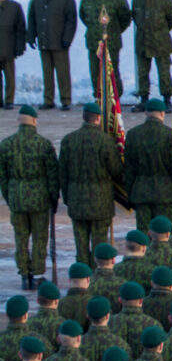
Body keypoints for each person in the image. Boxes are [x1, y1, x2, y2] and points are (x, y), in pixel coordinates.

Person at [57, 103, 122, 268]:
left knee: (81, 244)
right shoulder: (105, 141)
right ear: (98, 119)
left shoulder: (69, 140)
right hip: (100, 202)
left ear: (83, 117)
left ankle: (81, 276)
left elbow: (62, 173)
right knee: (99, 244)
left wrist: (67, 198)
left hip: (77, 200)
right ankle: (97, 275)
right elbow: (115, 170)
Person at [0, 106, 58, 290]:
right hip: (39, 199)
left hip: (17, 197)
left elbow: (2, 177)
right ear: (34, 121)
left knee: (21, 238)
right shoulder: (43, 144)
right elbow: (52, 175)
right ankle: (38, 273)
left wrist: (9, 196)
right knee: (40, 238)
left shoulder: (6, 144)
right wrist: (54, 198)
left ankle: (24, 275)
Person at [78, 0, 131, 104]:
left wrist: (115, 32)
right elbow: (84, 17)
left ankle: (115, 97)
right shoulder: (86, 0)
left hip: (111, 42)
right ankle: (99, 97)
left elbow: (125, 19)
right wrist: (95, 31)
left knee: (111, 70)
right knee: (95, 70)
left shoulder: (117, 0)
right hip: (93, 42)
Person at [27, 0, 76, 110]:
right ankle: (48, 100)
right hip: (44, 41)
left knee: (63, 73)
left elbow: (71, 20)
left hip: (59, 42)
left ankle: (66, 100)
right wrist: (31, 37)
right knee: (47, 73)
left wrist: (67, 38)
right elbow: (32, 18)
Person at [130, 0, 172, 111]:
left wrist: (160, 31)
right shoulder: (138, 0)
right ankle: (144, 99)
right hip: (143, 42)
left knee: (164, 72)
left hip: (161, 42)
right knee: (143, 72)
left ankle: (167, 99)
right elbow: (134, 16)